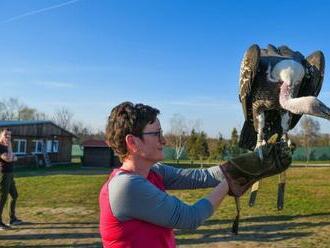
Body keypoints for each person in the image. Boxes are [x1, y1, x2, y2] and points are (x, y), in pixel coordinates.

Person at [99, 102, 293, 247]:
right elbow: (189, 217)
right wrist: (229, 181)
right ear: (133, 142)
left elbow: (202, 176)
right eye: (156, 134)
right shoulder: (126, 187)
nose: (164, 140)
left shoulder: (152, 172)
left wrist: (255, 160)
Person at [0, 128, 22, 230]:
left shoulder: (7, 146)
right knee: (2, 198)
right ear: (1, 135)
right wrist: (12, 157)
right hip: (3, 174)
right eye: (6, 135)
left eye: (9, 135)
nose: (8, 137)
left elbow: (14, 158)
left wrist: (12, 155)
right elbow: (8, 158)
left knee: (14, 195)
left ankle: (12, 219)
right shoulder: (0, 146)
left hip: (10, 174)